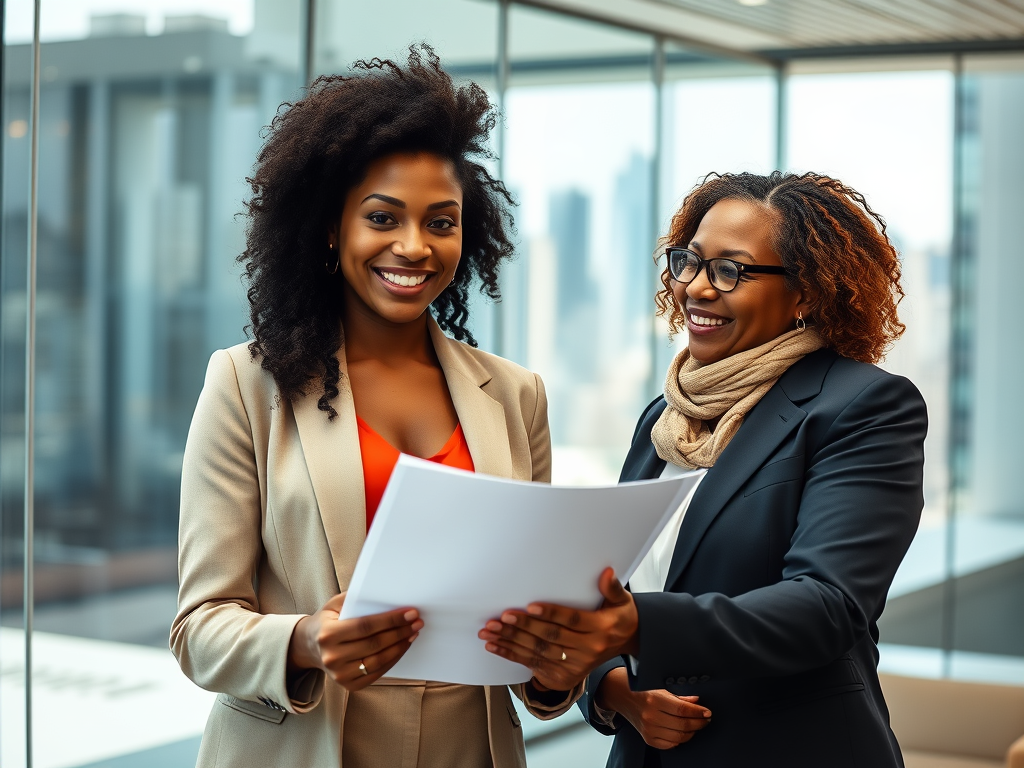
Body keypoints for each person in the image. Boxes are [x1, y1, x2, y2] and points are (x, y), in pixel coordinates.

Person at [170, 47, 579, 768]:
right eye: (384, 217)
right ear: (333, 226)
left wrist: (554, 668)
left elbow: (533, 628)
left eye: (441, 222)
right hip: (309, 743)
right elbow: (198, 627)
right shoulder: (245, 385)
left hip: (470, 748)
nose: (414, 247)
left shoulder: (517, 395)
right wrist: (303, 639)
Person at [478, 171, 927, 767]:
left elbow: (827, 606)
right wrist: (617, 688)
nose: (696, 287)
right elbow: (616, 588)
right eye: (688, 262)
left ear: (807, 294)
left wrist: (637, 627)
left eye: (730, 270)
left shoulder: (862, 406)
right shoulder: (665, 417)